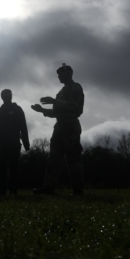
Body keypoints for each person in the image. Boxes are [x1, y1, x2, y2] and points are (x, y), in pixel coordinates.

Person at [31, 64, 85, 195]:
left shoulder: (76, 88)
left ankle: (78, 190)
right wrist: (42, 110)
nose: (58, 77)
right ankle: (48, 187)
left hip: (71, 124)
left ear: (69, 74)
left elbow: (72, 106)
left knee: (73, 158)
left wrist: (54, 101)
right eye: (58, 74)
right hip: (60, 125)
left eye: (60, 74)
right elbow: (56, 112)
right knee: (54, 158)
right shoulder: (61, 92)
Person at [0, 89, 30, 196]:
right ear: (2, 97)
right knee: (3, 168)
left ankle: (13, 190)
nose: (6, 97)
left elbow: (23, 128)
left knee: (13, 167)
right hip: (2, 144)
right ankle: (3, 190)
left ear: (11, 97)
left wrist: (26, 144)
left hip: (12, 143)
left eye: (8, 95)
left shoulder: (17, 110)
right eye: (5, 96)